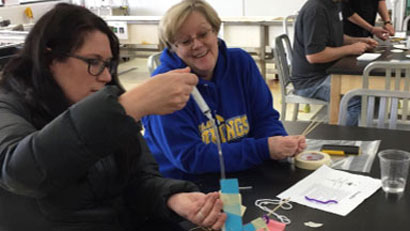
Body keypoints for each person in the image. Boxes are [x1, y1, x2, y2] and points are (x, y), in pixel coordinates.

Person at [0, 3, 226, 231]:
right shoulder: (8, 108)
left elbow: (139, 180)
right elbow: (22, 172)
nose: (106, 75)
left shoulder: (100, 103)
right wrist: (125, 107)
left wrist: (172, 198)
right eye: (94, 62)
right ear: (51, 58)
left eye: (108, 64)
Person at [142, 0, 306, 181]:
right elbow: (190, 157)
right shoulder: (164, 86)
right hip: (188, 186)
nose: (197, 45)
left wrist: (279, 143)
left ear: (216, 31)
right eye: (185, 41)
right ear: (173, 47)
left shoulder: (241, 64)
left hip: (244, 172)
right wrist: (263, 149)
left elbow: (264, 117)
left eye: (203, 34)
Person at [291, 0, 378, 126]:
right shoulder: (316, 10)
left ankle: (361, 133)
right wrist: (350, 49)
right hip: (311, 82)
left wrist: (357, 41)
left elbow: (335, 36)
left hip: (327, 72)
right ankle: (344, 141)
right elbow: (314, 56)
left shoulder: (335, 5)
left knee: (369, 89)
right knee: (355, 98)